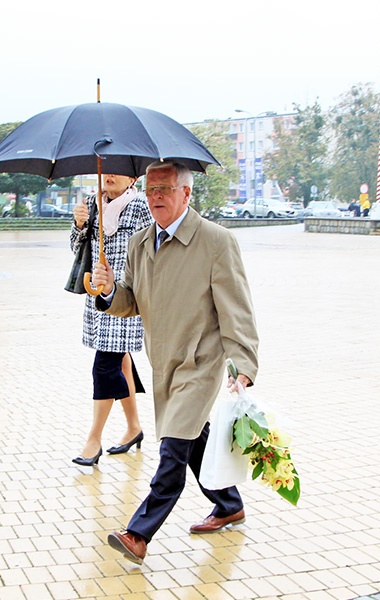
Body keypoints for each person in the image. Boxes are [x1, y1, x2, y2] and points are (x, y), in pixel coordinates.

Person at [92, 160, 259, 564]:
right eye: (150, 190)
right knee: (193, 438)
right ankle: (228, 504)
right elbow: (130, 302)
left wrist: (244, 365)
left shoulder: (216, 242)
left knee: (172, 450)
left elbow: (237, 309)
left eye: (165, 189)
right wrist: (109, 288)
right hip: (162, 362)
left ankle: (138, 533)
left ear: (187, 193)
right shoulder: (139, 242)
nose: (156, 198)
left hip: (201, 363)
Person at [69, 174, 154, 466]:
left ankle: (94, 440)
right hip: (97, 297)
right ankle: (134, 428)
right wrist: (80, 225)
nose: (110, 177)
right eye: (106, 172)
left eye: (118, 171)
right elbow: (77, 249)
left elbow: (151, 251)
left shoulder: (140, 206)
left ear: (132, 177)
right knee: (121, 361)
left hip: (125, 298)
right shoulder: (94, 206)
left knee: (105, 367)